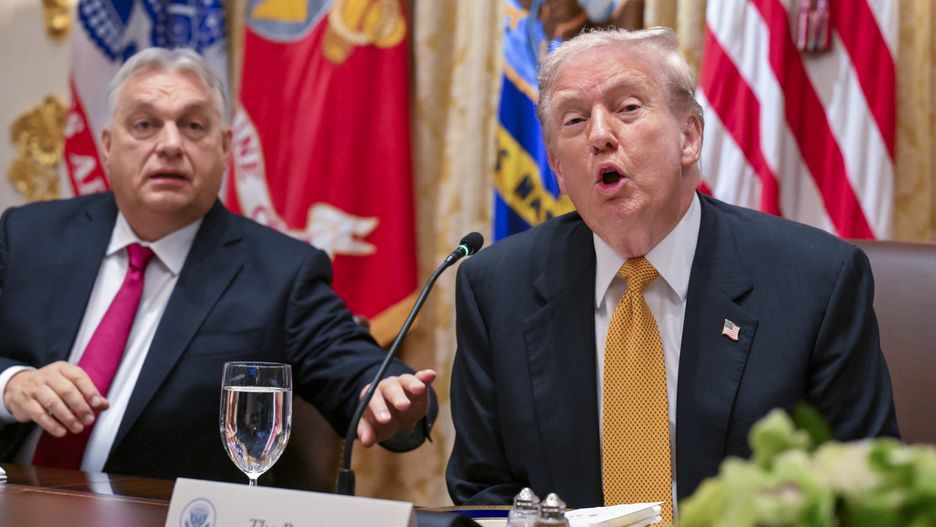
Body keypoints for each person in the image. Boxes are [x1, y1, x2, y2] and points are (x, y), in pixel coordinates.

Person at [446, 26, 898, 520]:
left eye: (628, 108)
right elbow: (483, 490)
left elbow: (866, 492)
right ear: (556, 165)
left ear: (690, 136)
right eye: (574, 120)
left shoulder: (816, 282)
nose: (599, 135)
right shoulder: (495, 289)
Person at [0, 48, 436, 484]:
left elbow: (353, 367)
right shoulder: (28, 236)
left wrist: (387, 391)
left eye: (192, 126)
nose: (170, 145)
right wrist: (10, 384)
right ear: (109, 146)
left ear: (225, 147)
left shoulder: (280, 274)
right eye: (145, 125)